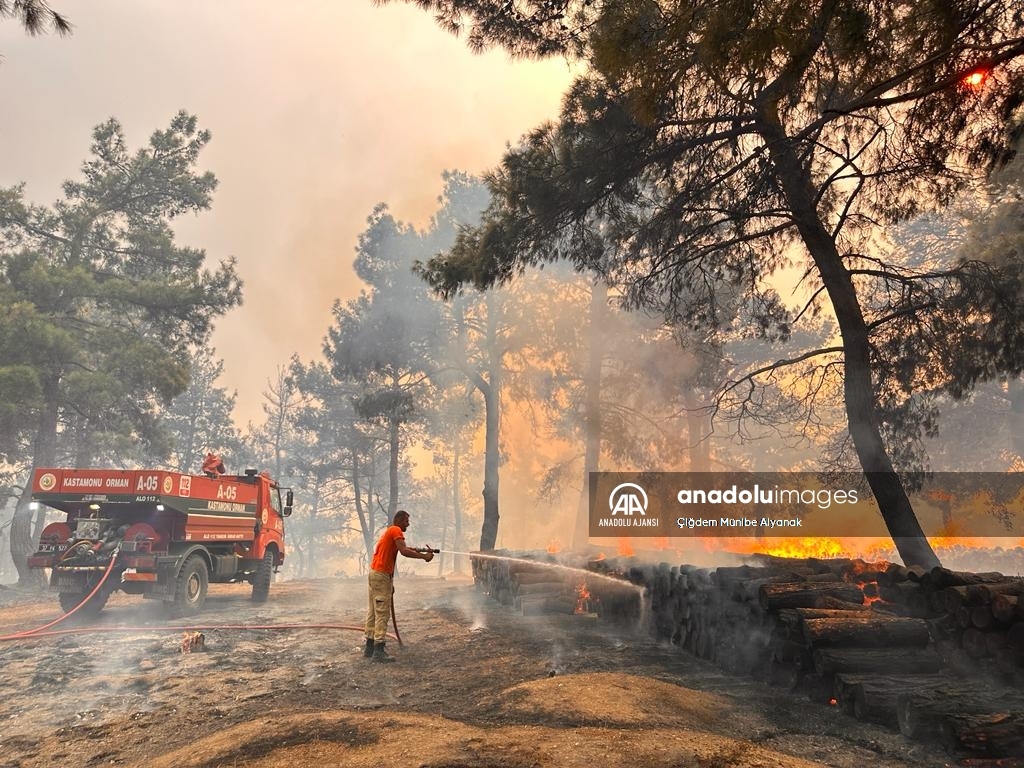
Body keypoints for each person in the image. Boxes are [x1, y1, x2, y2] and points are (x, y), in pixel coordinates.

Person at [363, 510, 434, 663]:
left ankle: (369, 646)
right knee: (382, 612)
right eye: (407, 520)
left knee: (373, 611)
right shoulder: (395, 530)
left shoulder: (390, 532)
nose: (408, 523)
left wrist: (390, 583)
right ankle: (378, 650)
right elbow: (404, 551)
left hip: (376, 574)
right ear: (400, 520)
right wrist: (424, 557)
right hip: (381, 576)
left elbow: (404, 548)